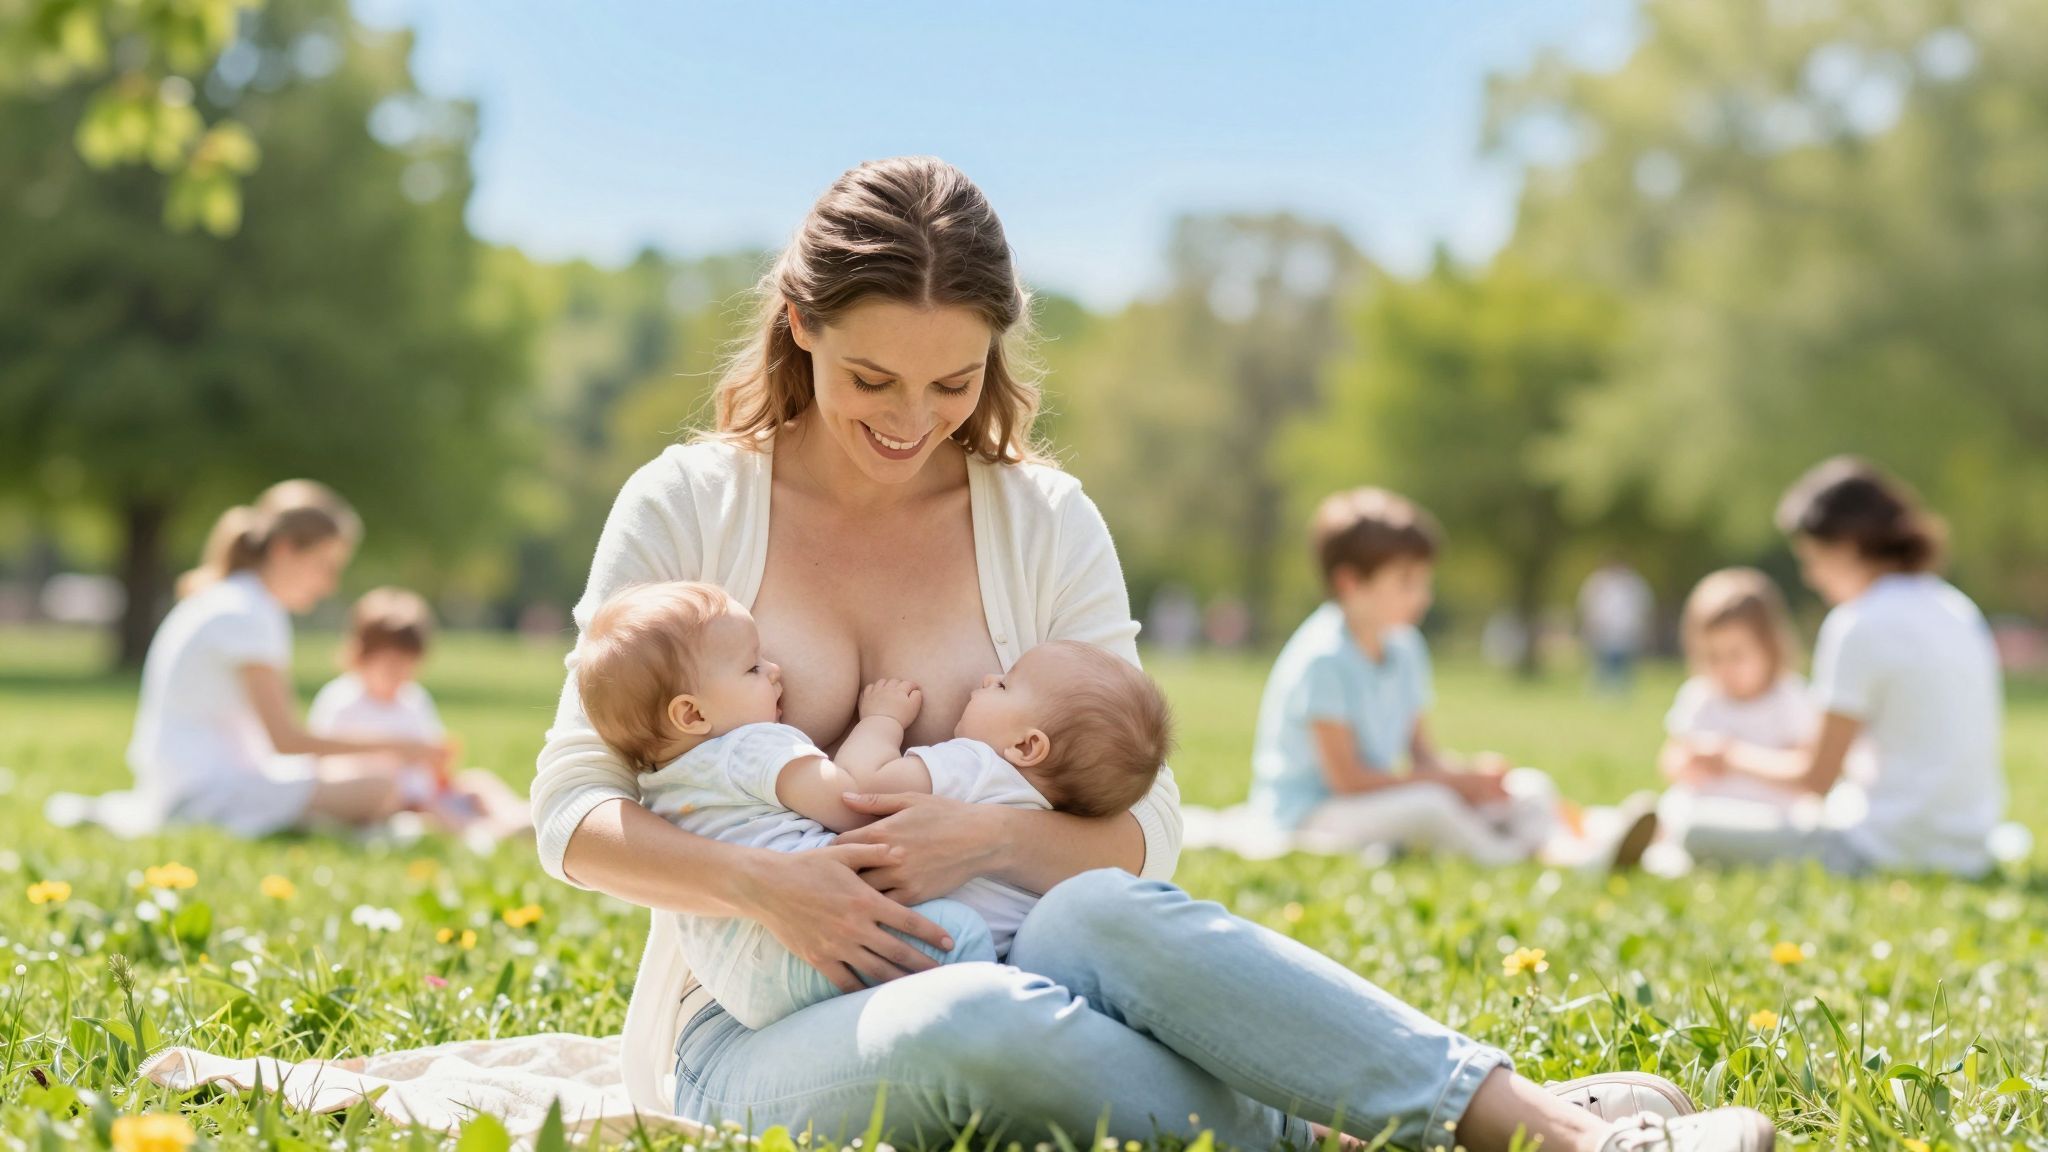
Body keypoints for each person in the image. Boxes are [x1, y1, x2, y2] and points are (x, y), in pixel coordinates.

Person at [533, 157, 1772, 1150]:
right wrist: (763, 887)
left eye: (952, 384)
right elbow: (571, 813)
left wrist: (990, 836)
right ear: (797, 325)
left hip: (1035, 946)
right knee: (972, 1026)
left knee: (1108, 912)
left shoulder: (1043, 521)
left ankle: (1553, 1137)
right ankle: (1428, 1122)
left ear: (996, 354)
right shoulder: (688, 505)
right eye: (870, 378)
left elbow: (1146, 827)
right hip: (757, 1022)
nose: (911, 424)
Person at [575, 580, 1169, 1029]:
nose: (775, 670)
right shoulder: (756, 745)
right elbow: (858, 801)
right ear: (693, 712)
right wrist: (881, 720)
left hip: (738, 973)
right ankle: (1013, 1015)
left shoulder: (662, 779)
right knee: (955, 939)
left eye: (1004, 683)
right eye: (754, 668)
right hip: (816, 950)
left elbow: (1154, 826)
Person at [1248, 488, 1650, 868]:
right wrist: (1450, 783)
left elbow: (1422, 755)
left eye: (1425, 580)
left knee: (1527, 786)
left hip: (1377, 800)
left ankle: (1570, 854)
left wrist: (1471, 775)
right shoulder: (1323, 658)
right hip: (1313, 814)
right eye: (1406, 581)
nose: (1423, 595)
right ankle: (1507, 859)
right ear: (1349, 582)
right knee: (1431, 806)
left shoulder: (1405, 647)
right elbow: (1348, 780)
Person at [1679, 458, 2005, 876]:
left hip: (1884, 849)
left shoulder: (1858, 624)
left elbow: (1816, 777)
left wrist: (1726, 755)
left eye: (1812, 558)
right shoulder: (1957, 608)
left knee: (1693, 831)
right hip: (1970, 850)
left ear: (1847, 546)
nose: (1811, 577)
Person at [123, 482, 449, 835]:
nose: (329, 585)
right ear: (284, 550)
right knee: (380, 787)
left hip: (196, 782)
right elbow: (287, 740)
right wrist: (401, 748)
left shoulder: (235, 600)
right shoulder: (247, 612)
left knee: (363, 783)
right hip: (200, 794)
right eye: (324, 565)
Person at [309, 587, 530, 837]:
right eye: (391, 666)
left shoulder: (413, 699)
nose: (400, 676)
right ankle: (480, 834)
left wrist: (437, 758)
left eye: (408, 667)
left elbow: (433, 762)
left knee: (479, 782)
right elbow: (323, 764)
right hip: (385, 799)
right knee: (425, 815)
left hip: (424, 791)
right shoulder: (342, 700)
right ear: (361, 656)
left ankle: (515, 818)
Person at [1652, 569, 1818, 846]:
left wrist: (1732, 757)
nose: (1724, 668)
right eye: (1712, 656)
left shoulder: (1789, 699)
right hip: (1704, 809)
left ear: (1769, 647)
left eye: (1736, 655)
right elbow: (1671, 758)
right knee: (1667, 813)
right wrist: (1688, 762)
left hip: (1770, 816)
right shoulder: (1701, 695)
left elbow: (1804, 768)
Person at [1579, 556, 1654, 696]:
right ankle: (1602, 693)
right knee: (1603, 663)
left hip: (1627, 630)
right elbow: (1589, 605)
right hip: (1604, 630)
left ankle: (1621, 693)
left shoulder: (1634, 584)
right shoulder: (1598, 582)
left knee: (1624, 664)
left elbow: (1643, 607)